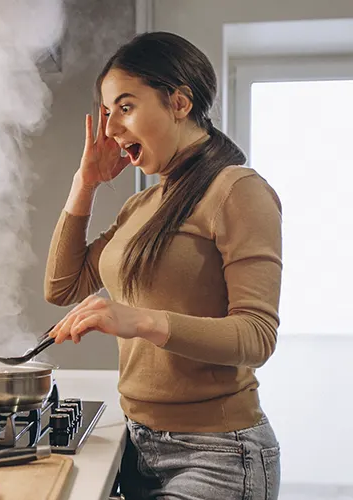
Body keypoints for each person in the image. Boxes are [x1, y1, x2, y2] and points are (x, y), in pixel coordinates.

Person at [43, 31, 282, 500]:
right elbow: (63, 286)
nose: (111, 129)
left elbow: (257, 337)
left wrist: (140, 320)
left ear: (178, 102)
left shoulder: (237, 190)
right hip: (138, 444)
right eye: (108, 113)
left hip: (218, 455)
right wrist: (84, 182)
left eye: (125, 107)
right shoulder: (143, 204)